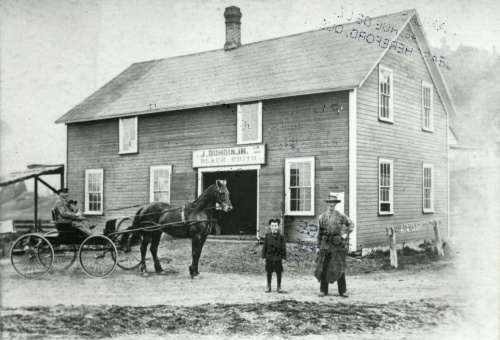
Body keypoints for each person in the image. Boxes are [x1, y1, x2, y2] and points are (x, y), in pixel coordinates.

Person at [314, 194, 354, 298]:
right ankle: (323, 290)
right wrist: (318, 247)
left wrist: (345, 234)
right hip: (325, 244)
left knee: (339, 266)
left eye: (333, 203)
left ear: (335, 204)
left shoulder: (341, 216)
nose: (331, 205)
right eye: (329, 203)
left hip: (337, 244)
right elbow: (319, 233)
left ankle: (342, 291)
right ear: (327, 204)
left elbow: (351, 224)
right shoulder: (322, 217)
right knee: (324, 265)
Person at [262, 218, 287, 293]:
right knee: (269, 272)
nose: (274, 227)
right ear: (270, 226)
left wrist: (283, 257)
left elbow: (283, 248)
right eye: (272, 225)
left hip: (278, 257)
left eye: (276, 225)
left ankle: (279, 286)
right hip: (269, 257)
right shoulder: (267, 236)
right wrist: (264, 256)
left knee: (279, 272)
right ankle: (268, 286)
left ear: (278, 226)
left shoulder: (281, 237)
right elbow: (264, 247)